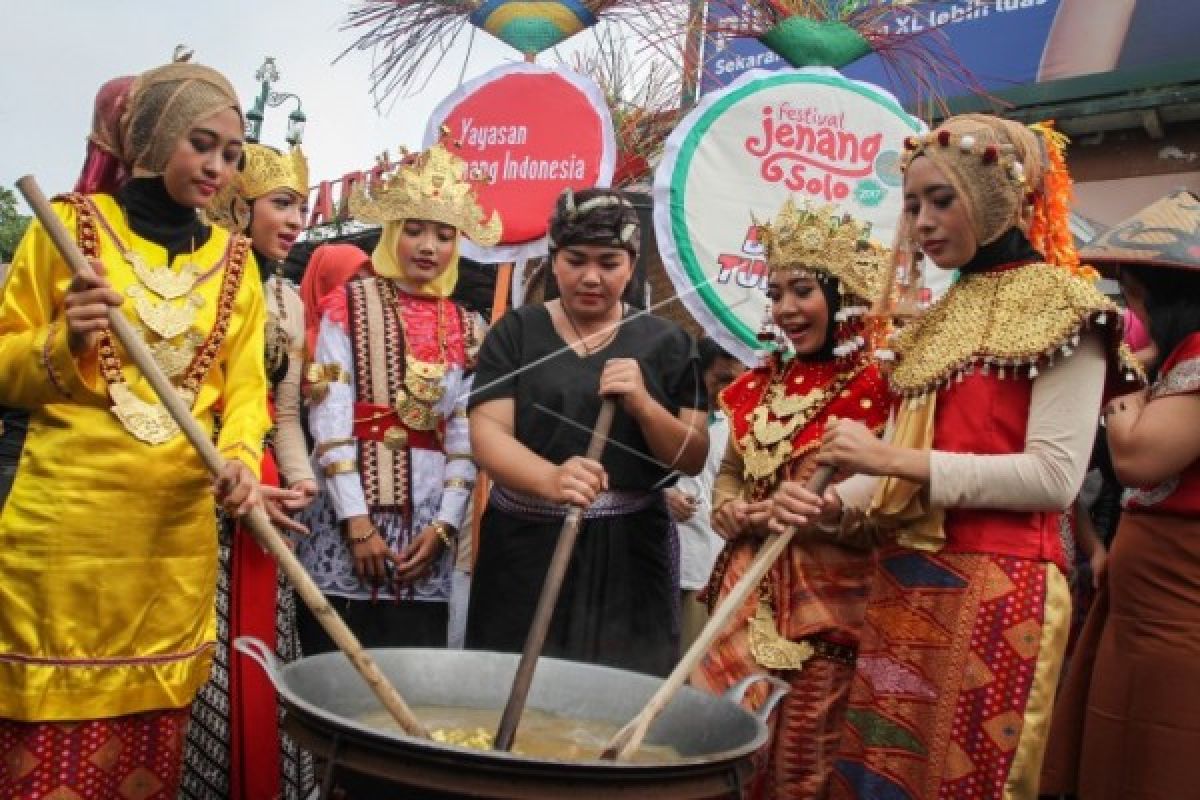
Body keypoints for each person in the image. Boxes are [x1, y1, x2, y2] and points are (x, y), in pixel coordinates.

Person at [770, 114, 1141, 800]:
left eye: (941, 200)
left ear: (999, 192)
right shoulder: (940, 315)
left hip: (1000, 591)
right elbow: (907, 466)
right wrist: (818, 504)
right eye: (912, 205)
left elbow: (1054, 480)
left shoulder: (1068, 307)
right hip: (904, 580)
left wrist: (888, 463)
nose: (921, 223)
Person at [0, 58, 267, 799]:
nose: (218, 167)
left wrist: (242, 457)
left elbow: (245, 388)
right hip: (63, 542)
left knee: (148, 761)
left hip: (169, 543)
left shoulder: (239, 264)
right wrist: (65, 343)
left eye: (232, 154)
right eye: (202, 144)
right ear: (150, 140)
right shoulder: (68, 229)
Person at [465, 187, 709, 678]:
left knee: (617, 690)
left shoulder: (669, 343)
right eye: (576, 260)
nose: (591, 277)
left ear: (631, 263)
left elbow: (691, 455)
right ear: (554, 261)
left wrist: (644, 405)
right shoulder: (516, 332)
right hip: (524, 544)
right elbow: (487, 434)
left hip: (628, 553)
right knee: (508, 682)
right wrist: (552, 479)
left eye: (609, 262)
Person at [693, 201, 892, 799]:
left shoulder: (883, 386)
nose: (784, 309)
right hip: (740, 595)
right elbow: (729, 474)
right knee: (719, 750)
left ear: (846, 294)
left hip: (824, 611)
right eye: (776, 292)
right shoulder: (760, 382)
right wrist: (727, 508)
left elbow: (888, 503)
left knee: (801, 767)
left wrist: (811, 513)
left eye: (802, 291)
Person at [295, 138, 494, 652]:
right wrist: (357, 524)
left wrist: (446, 527)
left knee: (412, 676)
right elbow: (330, 421)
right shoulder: (350, 303)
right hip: (348, 521)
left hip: (427, 532)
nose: (429, 247)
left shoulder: (468, 325)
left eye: (445, 235)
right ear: (391, 234)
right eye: (415, 230)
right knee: (335, 671)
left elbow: (463, 439)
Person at [1041, 189, 1200, 799]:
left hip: (1176, 609)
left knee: (1167, 745)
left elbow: (1137, 458)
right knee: (1127, 738)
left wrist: (1121, 405)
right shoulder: (1180, 359)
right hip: (1149, 605)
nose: (1133, 306)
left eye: (1135, 294)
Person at [181, 143, 316, 799]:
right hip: (201, 477)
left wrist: (303, 478)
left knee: (265, 641)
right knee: (206, 644)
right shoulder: (200, 279)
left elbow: (283, 411)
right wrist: (231, 479)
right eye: (282, 204)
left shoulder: (289, 301)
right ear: (241, 203)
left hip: (269, 489)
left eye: (302, 208)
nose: (296, 221)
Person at [669, 336, 743, 650]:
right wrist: (664, 497)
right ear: (699, 374)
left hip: (710, 566)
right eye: (721, 380)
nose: (729, 390)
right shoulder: (667, 417)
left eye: (738, 381)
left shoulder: (742, 425)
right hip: (667, 558)